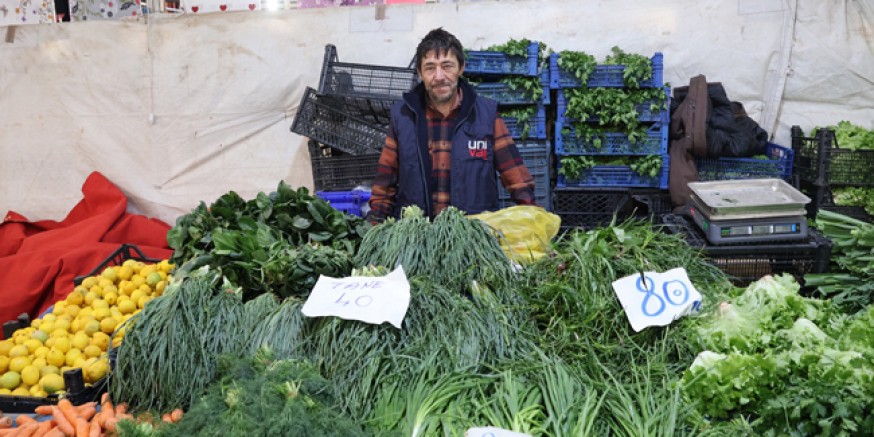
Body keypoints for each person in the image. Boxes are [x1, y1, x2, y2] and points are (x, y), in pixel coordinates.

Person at [366, 28, 536, 224]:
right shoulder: (403, 116)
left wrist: (534, 219)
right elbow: (384, 185)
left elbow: (516, 177)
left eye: (447, 66)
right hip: (416, 240)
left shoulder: (486, 115)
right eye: (430, 68)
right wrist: (374, 229)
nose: (439, 76)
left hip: (473, 236)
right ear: (420, 73)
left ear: (461, 68)